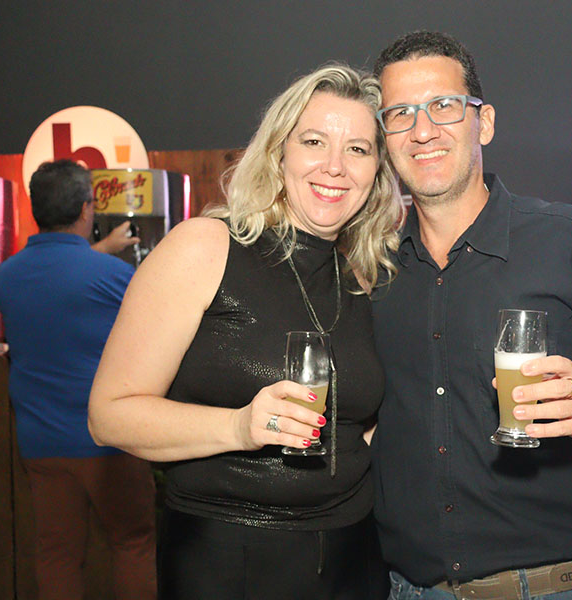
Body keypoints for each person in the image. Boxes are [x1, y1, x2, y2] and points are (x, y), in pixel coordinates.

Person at [369, 31, 572, 600]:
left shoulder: (569, 239)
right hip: (415, 590)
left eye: (444, 106)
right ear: (385, 136)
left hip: (560, 588)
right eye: (400, 114)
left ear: (484, 122)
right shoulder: (374, 270)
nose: (422, 130)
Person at [88, 64, 403, 600]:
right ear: (278, 153)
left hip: (354, 558)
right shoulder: (205, 248)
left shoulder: (364, 276)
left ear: (377, 170)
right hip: (227, 559)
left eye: (357, 149)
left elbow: (362, 422)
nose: (335, 166)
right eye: (314, 141)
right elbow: (108, 415)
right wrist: (238, 426)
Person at [0, 159, 156, 600]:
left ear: (35, 209)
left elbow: (58, 276)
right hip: (108, 440)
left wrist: (98, 248)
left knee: (57, 555)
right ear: (87, 208)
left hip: (40, 441)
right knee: (133, 544)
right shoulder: (114, 275)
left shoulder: (5, 276)